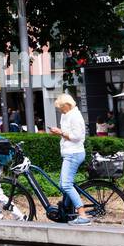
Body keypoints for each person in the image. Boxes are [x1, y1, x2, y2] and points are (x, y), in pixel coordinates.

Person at [49, 93, 86, 221]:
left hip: (73, 154)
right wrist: (59, 132)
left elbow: (77, 136)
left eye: (60, 107)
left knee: (66, 185)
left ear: (67, 105)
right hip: (70, 153)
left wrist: (60, 132)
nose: (59, 109)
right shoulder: (67, 115)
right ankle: (66, 208)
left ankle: (82, 215)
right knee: (63, 183)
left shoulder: (74, 116)